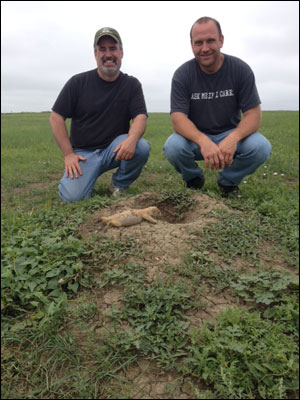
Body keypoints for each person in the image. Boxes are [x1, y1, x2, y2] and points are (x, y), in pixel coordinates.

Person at [163, 17, 272, 196]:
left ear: (221, 40)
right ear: (191, 45)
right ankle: (193, 179)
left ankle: (228, 182)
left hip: (229, 134)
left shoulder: (240, 69)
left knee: (261, 147)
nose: (205, 48)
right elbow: (178, 119)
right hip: (196, 138)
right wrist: (203, 141)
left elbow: (253, 114)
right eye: (198, 43)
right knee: (173, 147)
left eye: (210, 41)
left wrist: (234, 137)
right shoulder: (183, 75)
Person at [50, 27, 150, 202]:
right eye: (102, 49)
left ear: (121, 52)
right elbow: (56, 117)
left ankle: (119, 184)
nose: (108, 54)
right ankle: (81, 180)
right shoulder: (78, 82)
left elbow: (140, 117)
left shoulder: (131, 84)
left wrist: (131, 139)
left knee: (141, 147)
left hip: (114, 149)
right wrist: (68, 154)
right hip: (83, 153)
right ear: (95, 54)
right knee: (72, 198)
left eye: (113, 48)